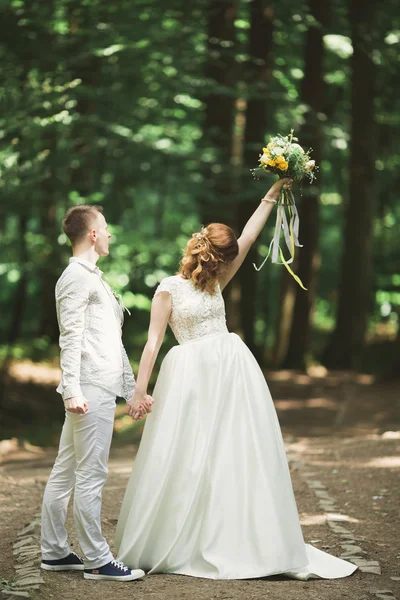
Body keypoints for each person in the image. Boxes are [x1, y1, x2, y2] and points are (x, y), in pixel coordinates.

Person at [115, 178, 357, 581]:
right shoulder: (168, 290)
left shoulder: (218, 281)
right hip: (189, 374)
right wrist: (140, 390)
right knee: (188, 454)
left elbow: (248, 234)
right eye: (223, 259)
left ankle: (237, 534)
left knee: (233, 450)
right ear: (209, 255)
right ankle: (182, 535)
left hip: (229, 369)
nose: (228, 264)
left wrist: (274, 192)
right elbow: (153, 343)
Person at [40, 205, 149, 581]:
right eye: (105, 228)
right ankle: (97, 560)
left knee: (66, 470)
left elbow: (107, 340)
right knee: (90, 474)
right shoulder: (76, 278)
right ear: (91, 235)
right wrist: (70, 388)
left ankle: (54, 553)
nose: (109, 234)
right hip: (88, 389)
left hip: (96, 385)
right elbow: (69, 337)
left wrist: (134, 389)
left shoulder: (91, 277)